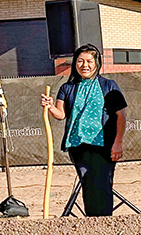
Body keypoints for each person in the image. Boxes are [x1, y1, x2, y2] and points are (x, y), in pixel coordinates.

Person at [40, 44, 128, 217]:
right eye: (80, 61)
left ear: (97, 63)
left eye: (89, 61)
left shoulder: (109, 85)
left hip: (104, 144)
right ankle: (91, 223)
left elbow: (121, 116)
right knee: (87, 182)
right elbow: (60, 114)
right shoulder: (67, 88)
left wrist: (118, 142)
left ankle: (104, 221)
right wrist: (50, 106)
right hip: (77, 144)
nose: (84, 65)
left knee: (102, 183)